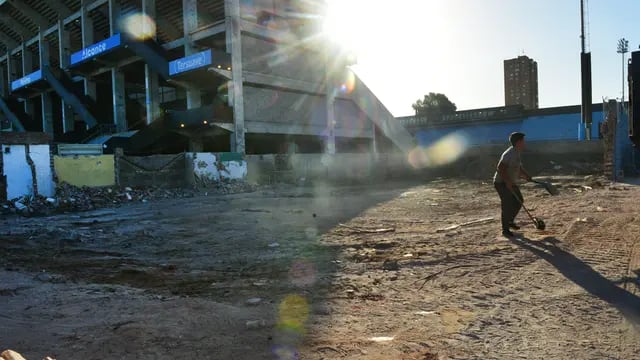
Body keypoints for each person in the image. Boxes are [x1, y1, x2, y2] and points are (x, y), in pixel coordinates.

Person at [493, 132, 532, 238]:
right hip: (501, 183)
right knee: (507, 205)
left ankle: (510, 221)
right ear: (519, 142)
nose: (525, 143)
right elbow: (500, 167)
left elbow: (518, 168)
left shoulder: (517, 152)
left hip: (510, 181)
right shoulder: (509, 153)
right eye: (523, 141)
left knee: (519, 200)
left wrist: (527, 176)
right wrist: (507, 181)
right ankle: (505, 230)